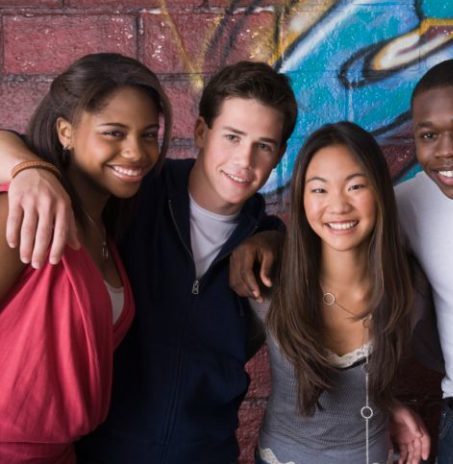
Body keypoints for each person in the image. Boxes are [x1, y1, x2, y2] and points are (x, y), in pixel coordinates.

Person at [228, 59, 453, 463]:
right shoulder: (409, 203)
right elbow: (332, 224)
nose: (447, 150)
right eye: (428, 135)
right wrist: (266, 239)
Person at [0, 61, 296, 463]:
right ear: (200, 133)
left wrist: (273, 237)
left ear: (279, 153)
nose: (244, 160)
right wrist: (29, 168)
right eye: (232, 136)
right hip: (98, 452)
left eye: (263, 145)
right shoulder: (134, 195)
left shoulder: (269, 248)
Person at [0, 53, 172, 463]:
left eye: (148, 135)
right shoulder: (21, 213)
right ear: (66, 131)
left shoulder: (104, 231)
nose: (135, 153)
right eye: (114, 133)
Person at [253, 121, 430, 464]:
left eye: (355, 186)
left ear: (380, 191)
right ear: (301, 198)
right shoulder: (266, 284)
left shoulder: (411, 289)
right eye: (319, 189)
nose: (338, 206)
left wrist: (387, 403)